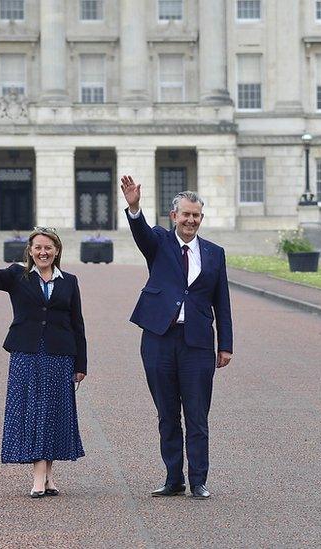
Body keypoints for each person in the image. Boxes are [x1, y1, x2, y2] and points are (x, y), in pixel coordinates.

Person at [119, 175, 233, 500]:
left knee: (197, 414)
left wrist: (225, 345)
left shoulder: (214, 253)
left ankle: (198, 480)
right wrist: (134, 206)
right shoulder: (158, 243)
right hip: (158, 339)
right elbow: (140, 233)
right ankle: (173, 479)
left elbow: (221, 301)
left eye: (196, 215)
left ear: (201, 218)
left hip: (197, 344)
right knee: (167, 414)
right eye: (185, 214)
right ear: (173, 216)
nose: (190, 220)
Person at [0, 218, 87, 498]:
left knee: (53, 413)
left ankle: (47, 475)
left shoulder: (69, 282)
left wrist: (81, 364)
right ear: (30, 251)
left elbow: (77, 323)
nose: (43, 252)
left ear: (57, 251)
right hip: (26, 354)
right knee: (34, 412)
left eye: (49, 247)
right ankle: (38, 476)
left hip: (59, 355)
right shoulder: (17, 276)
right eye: (38, 248)